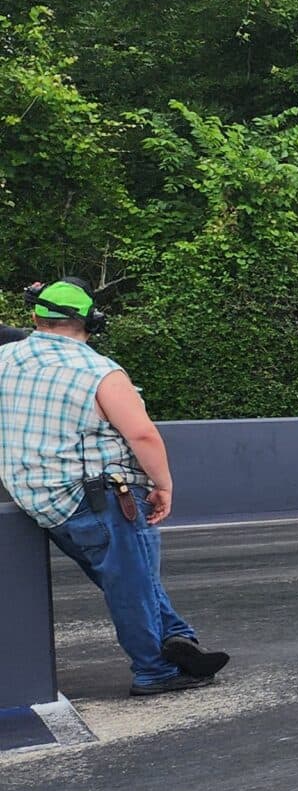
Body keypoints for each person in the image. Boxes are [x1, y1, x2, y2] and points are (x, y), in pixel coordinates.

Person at [0, 280, 229, 695]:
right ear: (92, 322)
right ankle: (154, 670)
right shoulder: (98, 371)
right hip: (97, 498)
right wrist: (163, 485)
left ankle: (177, 637)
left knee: (130, 574)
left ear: (35, 317)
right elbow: (142, 435)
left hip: (39, 499)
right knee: (131, 584)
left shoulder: (5, 359)